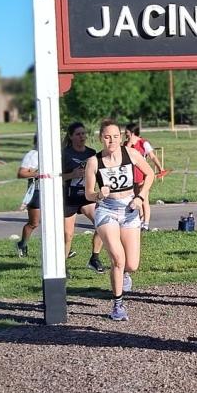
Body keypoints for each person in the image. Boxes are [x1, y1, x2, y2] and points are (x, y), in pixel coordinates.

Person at [84, 119, 154, 321]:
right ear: (100, 138)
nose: (111, 141)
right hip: (106, 210)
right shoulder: (94, 162)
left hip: (130, 209)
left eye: (115, 136)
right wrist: (98, 194)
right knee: (118, 259)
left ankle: (124, 274)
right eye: (107, 137)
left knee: (131, 265)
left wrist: (140, 198)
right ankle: (117, 305)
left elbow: (150, 175)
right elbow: (88, 193)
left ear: (121, 137)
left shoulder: (131, 154)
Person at [61, 121, 98, 263]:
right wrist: (72, 175)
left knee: (101, 223)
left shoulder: (91, 153)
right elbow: (55, 177)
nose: (82, 137)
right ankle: (62, 266)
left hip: (86, 195)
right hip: (69, 196)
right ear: (71, 136)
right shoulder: (65, 154)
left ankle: (94, 258)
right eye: (78, 134)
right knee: (68, 234)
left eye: (83, 134)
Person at [125, 122, 167, 232]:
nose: (125, 134)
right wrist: (128, 144)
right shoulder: (126, 144)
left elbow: (152, 156)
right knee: (134, 198)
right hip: (130, 175)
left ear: (133, 132)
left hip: (142, 175)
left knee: (144, 199)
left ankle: (146, 224)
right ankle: (139, 220)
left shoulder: (143, 143)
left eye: (127, 133)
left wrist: (160, 168)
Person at [16, 134, 40, 257]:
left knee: (57, 221)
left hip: (52, 192)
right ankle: (22, 244)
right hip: (36, 191)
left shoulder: (53, 153)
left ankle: (66, 249)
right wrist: (36, 173)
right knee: (34, 223)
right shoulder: (32, 155)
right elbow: (21, 173)